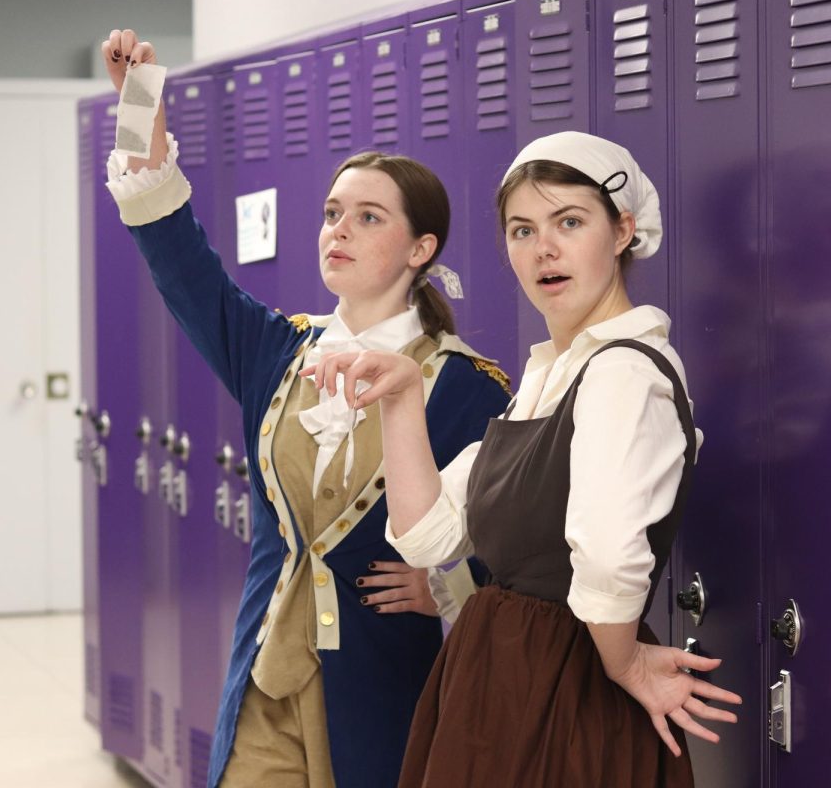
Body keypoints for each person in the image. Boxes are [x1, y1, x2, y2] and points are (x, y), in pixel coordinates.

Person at [99, 31, 511, 788]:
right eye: (331, 213)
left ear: (421, 249)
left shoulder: (466, 387)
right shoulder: (276, 349)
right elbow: (176, 256)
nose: (338, 230)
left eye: (367, 218)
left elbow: (525, 546)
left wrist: (451, 587)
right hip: (263, 678)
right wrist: (141, 103)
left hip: (381, 693)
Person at [307, 131, 743, 787]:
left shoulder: (623, 371)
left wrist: (626, 666)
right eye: (521, 229)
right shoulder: (546, 378)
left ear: (622, 230)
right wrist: (401, 397)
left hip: (567, 691)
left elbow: (606, 553)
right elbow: (428, 536)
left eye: (569, 221)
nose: (543, 249)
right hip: (499, 678)